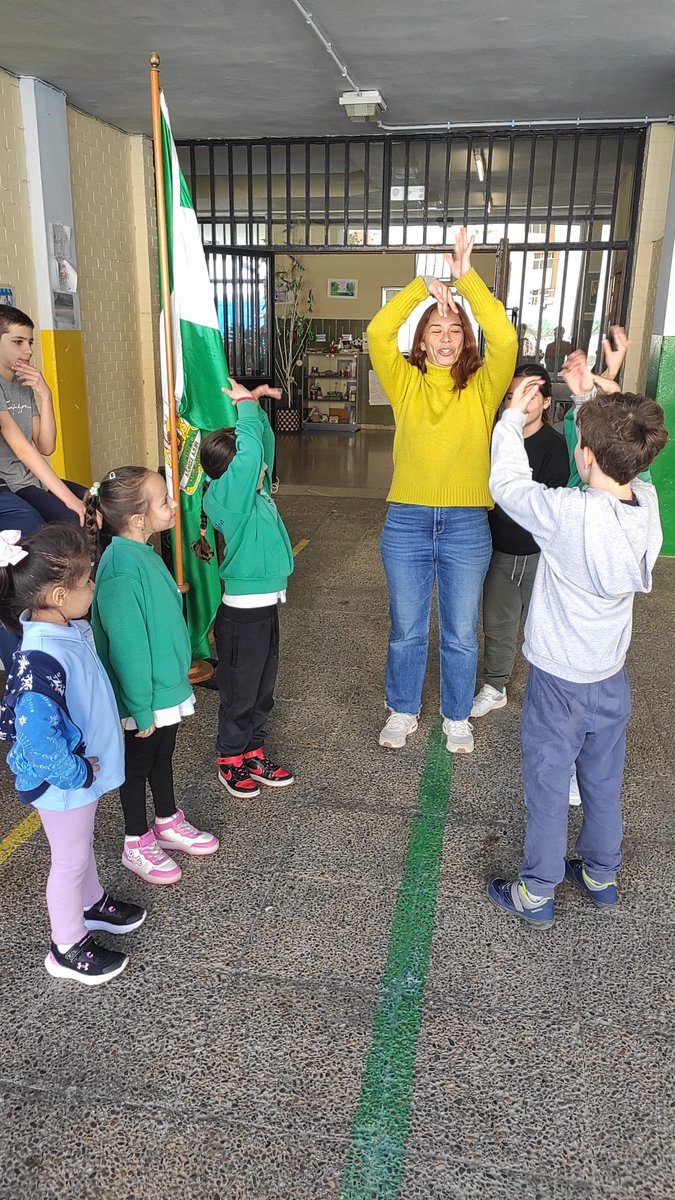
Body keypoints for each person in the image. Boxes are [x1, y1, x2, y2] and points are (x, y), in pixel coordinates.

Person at [485, 376, 667, 928]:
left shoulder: (568, 513)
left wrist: (512, 418)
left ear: (584, 456)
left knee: (546, 785)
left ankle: (537, 890)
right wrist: (599, 397)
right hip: (611, 679)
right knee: (603, 781)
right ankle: (601, 874)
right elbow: (628, 462)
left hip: (559, 682)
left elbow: (508, 483)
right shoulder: (647, 506)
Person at [367, 227, 518, 754]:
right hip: (406, 519)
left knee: (460, 631)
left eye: (455, 329)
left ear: (465, 339)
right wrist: (423, 289)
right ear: (424, 337)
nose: (446, 337)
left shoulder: (482, 388)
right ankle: (402, 709)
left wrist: (466, 281)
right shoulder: (405, 383)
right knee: (407, 628)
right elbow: (377, 333)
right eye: (437, 329)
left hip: (466, 523)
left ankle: (457, 716)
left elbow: (506, 339)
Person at [0, 523, 145, 984]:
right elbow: (39, 742)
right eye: (87, 581)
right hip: (66, 781)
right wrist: (78, 772)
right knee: (67, 861)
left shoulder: (64, 628)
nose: (94, 587)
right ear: (60, 595)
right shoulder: (41, 659)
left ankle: (92, 901)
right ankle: (66, 945)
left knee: (79, 850)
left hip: (81, 772)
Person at [88, 467, 219, 884]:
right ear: (138, 519)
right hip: (143, 697)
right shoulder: (120, 567)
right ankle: (135, 840)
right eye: (164, 500)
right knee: (137, 765)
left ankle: (166, 820)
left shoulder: (141, 550)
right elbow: (127, 646)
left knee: (162, 757)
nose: (174, 504)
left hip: (163, 688)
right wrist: (141, 708)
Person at [198, 379, 295, 797]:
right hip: (240, 617)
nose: (263, 471)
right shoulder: (226, 499)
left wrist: (255, 409)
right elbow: (253, 452)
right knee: (240, 693)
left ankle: (252, 752)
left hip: (264, 609)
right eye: (250, 467)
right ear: (231, 472)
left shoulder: (252, 492)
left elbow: (262, 450)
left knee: (261, 690)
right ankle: (229, 758)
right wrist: (244, 409)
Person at [472, 364, 569, 719]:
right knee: (498, 623)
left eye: (530, 395)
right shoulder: (495, 437)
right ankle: (494, 686)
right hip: (497, 549)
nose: (519, 403)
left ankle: (550, 692)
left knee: (542, 626)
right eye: (512, 395)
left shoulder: (554, 446)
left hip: (538, 555)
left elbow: (547, 504)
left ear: (545, 403)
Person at [0, 306, 87, 523]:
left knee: (95, 500)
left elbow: (46, 446)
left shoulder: (23, 383)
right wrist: (70, 500)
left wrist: (46, 396)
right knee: (73, 516)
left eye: (30, 342)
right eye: (18, 342)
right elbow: (23, 449)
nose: (28, 350)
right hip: (12, 484)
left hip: (33, 479)